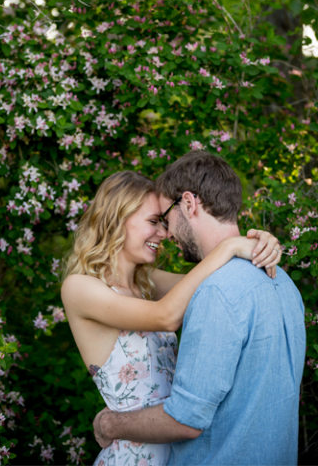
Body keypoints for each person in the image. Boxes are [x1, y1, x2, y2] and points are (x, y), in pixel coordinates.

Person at [91, 151, 306, 466]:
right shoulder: (284, 282)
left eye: (166, 217)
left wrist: (110, 424)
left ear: (188, 203)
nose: (167, 233)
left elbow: (185, 420)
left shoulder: (216, 291)